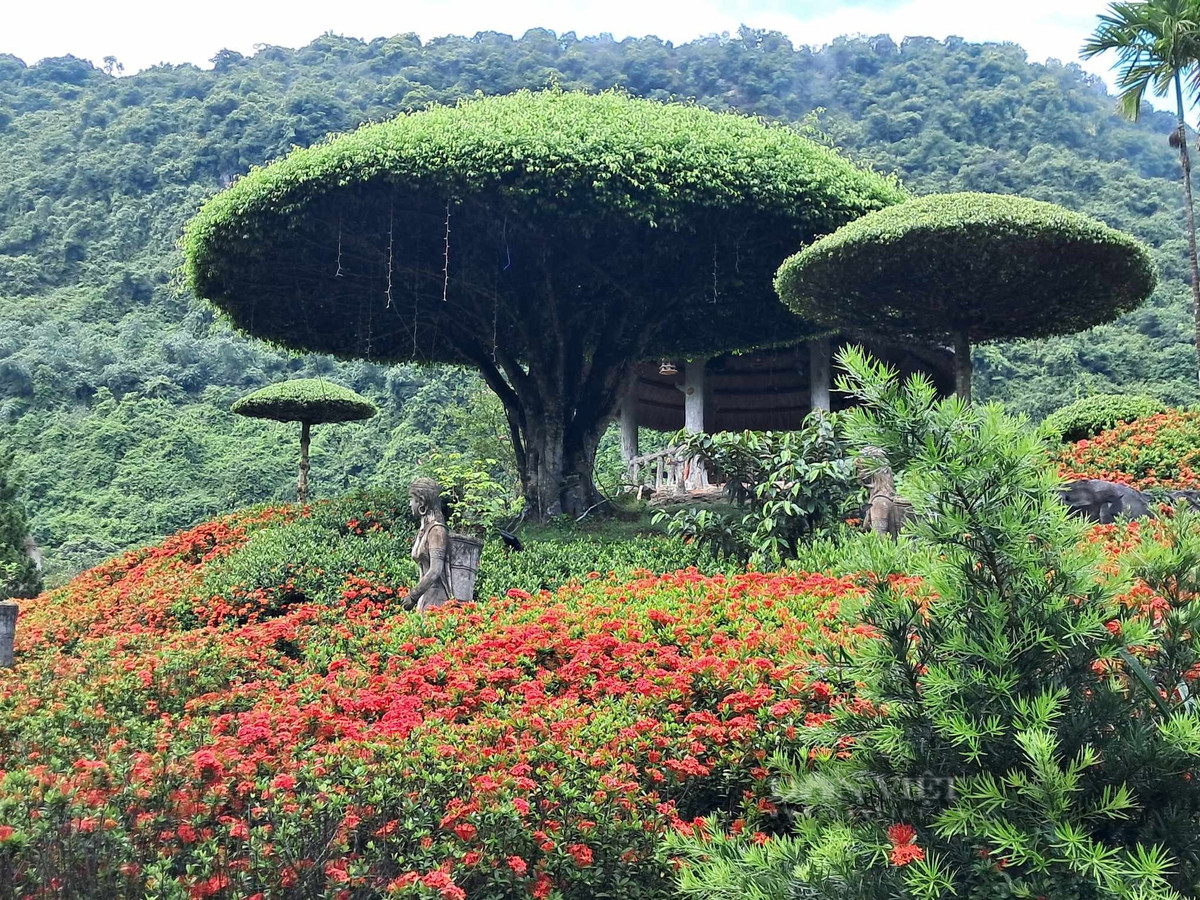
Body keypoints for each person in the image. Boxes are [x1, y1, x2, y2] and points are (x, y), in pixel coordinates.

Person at [404, 477, 452, 612]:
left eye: (411, 500)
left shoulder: (437, 531)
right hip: (425, 597)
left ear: (422, 502)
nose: (410, 504)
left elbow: (436, 570)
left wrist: (413, 596)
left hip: (437, 600)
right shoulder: (424, 530)